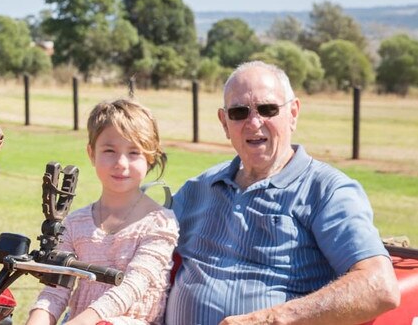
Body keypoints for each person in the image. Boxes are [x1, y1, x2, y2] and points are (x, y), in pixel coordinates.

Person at [165, 61, 400, 325]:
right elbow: (142, 238)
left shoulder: (327, 191)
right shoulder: (199, 188)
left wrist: (270, 319)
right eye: (239, 112)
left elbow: (380, 286)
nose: (254, 123)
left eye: (268, 109)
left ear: (293, 113)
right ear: (224, 122)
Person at [26, 98, 179, 325]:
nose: (121, 163)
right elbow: (55, 290)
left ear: (150, 157)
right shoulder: (75, 223)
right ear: (91, 153)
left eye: (134, 152)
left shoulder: (160, 222)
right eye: (109, 150)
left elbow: (132, 286)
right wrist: (37, 319)